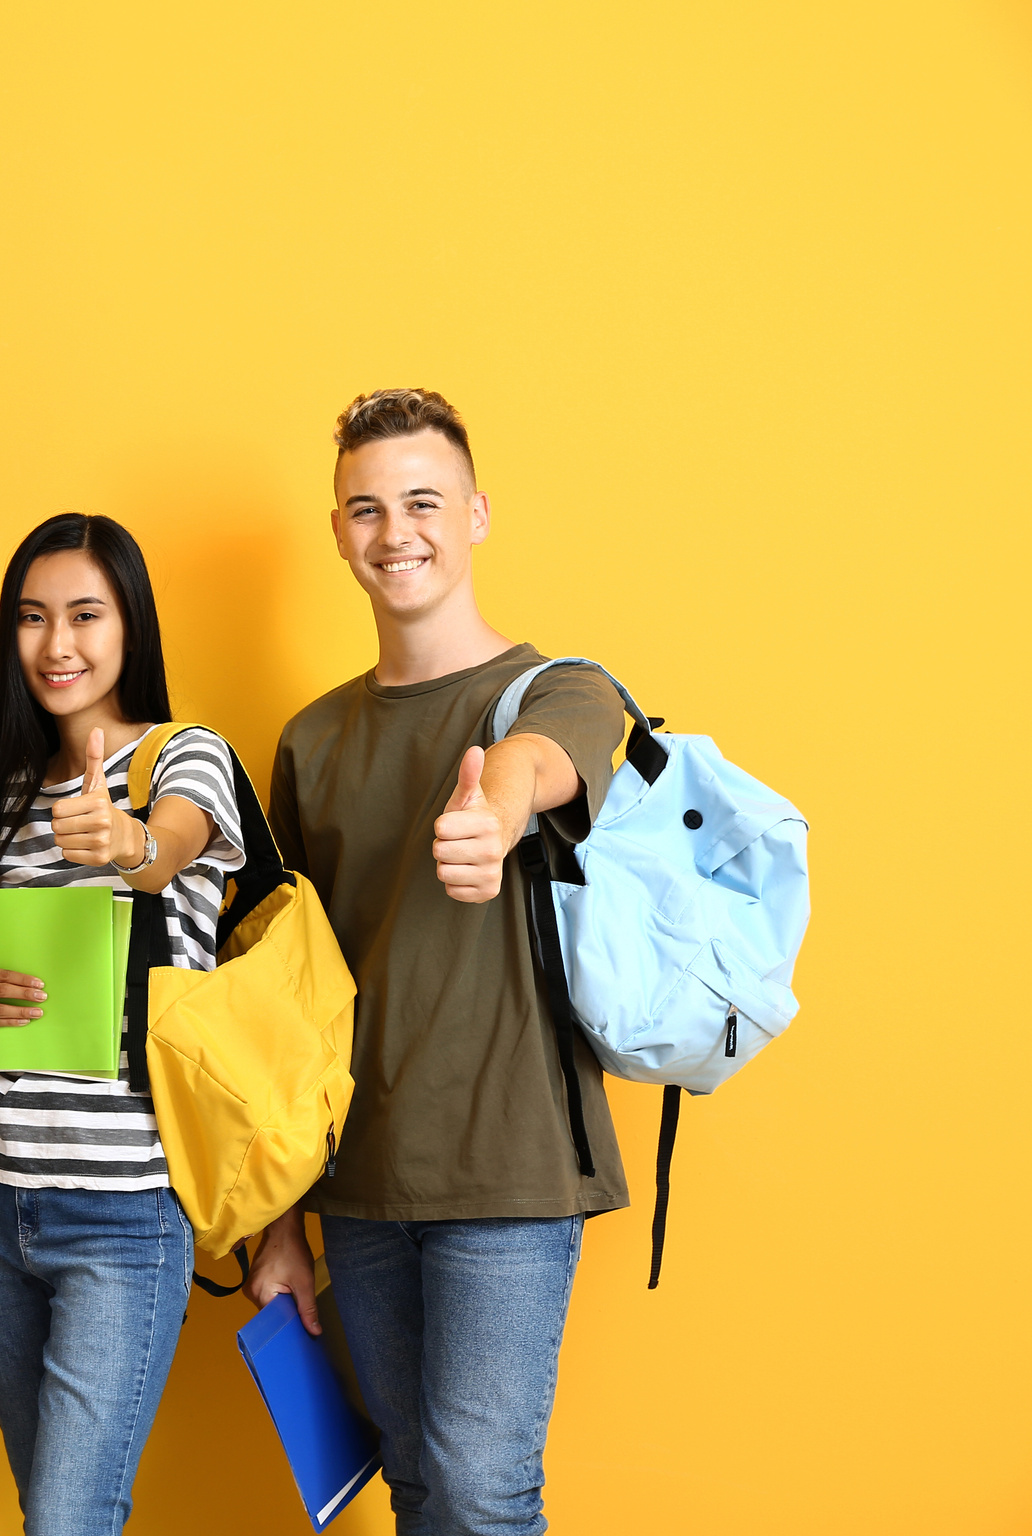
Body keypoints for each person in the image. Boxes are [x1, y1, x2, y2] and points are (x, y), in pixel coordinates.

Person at [265, 389, 629, 1535]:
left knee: (478, 1488)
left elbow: (539, 763)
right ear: (337, 532)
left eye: (422, 502)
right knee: (417, 1487)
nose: (395, 532)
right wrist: (277, 1220)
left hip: (508, 1168)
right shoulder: (310, 742)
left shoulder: (561, 689)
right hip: (359, 1178)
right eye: (365, 509)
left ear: (476, 515)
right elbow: (285, 998)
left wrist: (502, 808)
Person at [0, 513, 309, 1534]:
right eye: (31, 618)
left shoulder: (183, 755)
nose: (56, 645)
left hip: (125, 1209)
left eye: (84, 615)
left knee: (66, 1523)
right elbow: (7, 985)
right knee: (56, 1516)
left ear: (130, 627)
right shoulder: (15, 795)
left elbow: (170, 846)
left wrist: (128, 838)